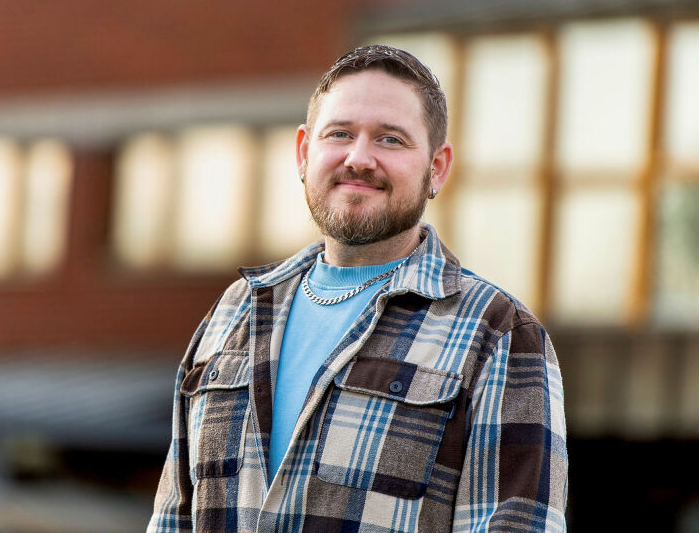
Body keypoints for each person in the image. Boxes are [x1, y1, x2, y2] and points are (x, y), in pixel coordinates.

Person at [148, 45, 568, 533]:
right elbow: (170, 519)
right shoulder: (235, 312)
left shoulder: (496, 333)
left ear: (436, 168)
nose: (359, 158)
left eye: (390, 140)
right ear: (305, 152)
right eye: (340, 134)